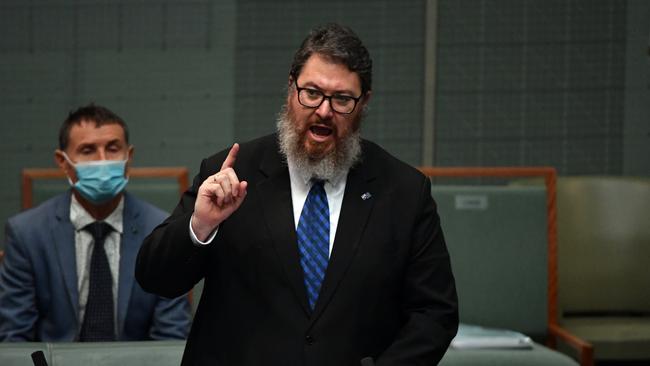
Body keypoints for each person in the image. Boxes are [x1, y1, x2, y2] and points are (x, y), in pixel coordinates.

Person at [136, 24, 458, 365]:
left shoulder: (404, 191)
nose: (323, 110)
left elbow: (434, 314)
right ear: (291, 88)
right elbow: (156, 278)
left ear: (364, 102)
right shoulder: (231, 171)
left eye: (342, 99)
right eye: (312, 92)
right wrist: (200, 225)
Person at [0, 104, 191, 342]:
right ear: (63, 161)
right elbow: (15, 337)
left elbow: (171, 336)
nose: (102, 161)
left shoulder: (162, 230)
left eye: (112, 148)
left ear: (128, 157)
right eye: (88, 150)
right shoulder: (27, 234)